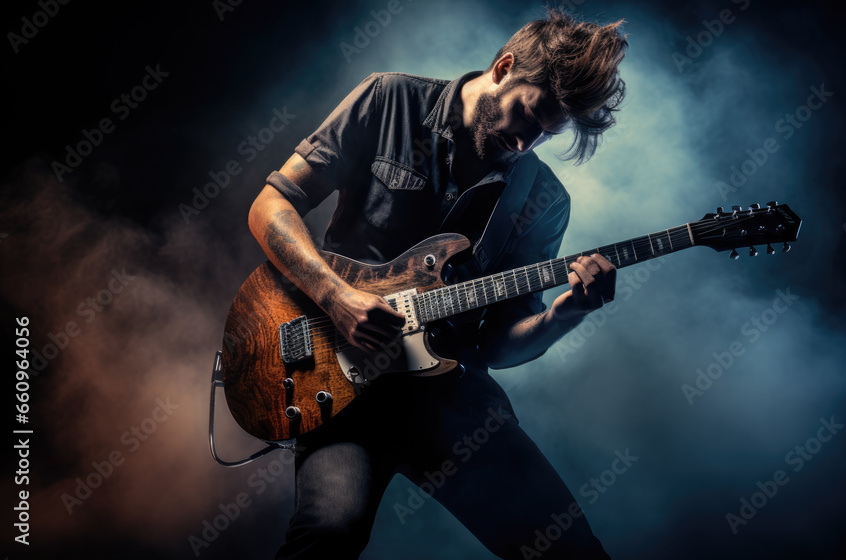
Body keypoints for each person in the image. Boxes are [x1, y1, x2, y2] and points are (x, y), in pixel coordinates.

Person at [247, 8, 628, 559]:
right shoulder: (390, 100)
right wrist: (335, 296)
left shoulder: (543, 200)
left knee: (569, 550)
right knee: (328, 535)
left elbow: (498, 343)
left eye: (548, 134)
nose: (528, 144)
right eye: (529, 116)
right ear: (503, 68)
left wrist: (565, 315)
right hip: (343, 376)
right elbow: (271, 203)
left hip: (452, 396)